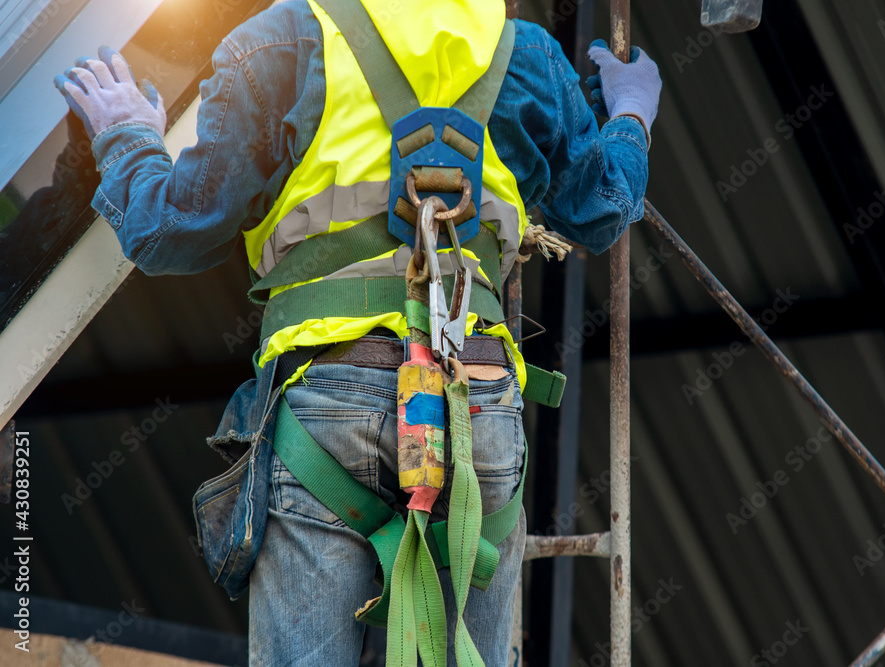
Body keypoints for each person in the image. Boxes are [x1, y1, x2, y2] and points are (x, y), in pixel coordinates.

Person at [55, 0, 661, 664]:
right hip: (473, 400)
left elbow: (172, 230)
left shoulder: (283, 38)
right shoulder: (527, 55)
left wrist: (125, 134)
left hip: (328, 405)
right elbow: (600, 207)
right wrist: (631, 116)